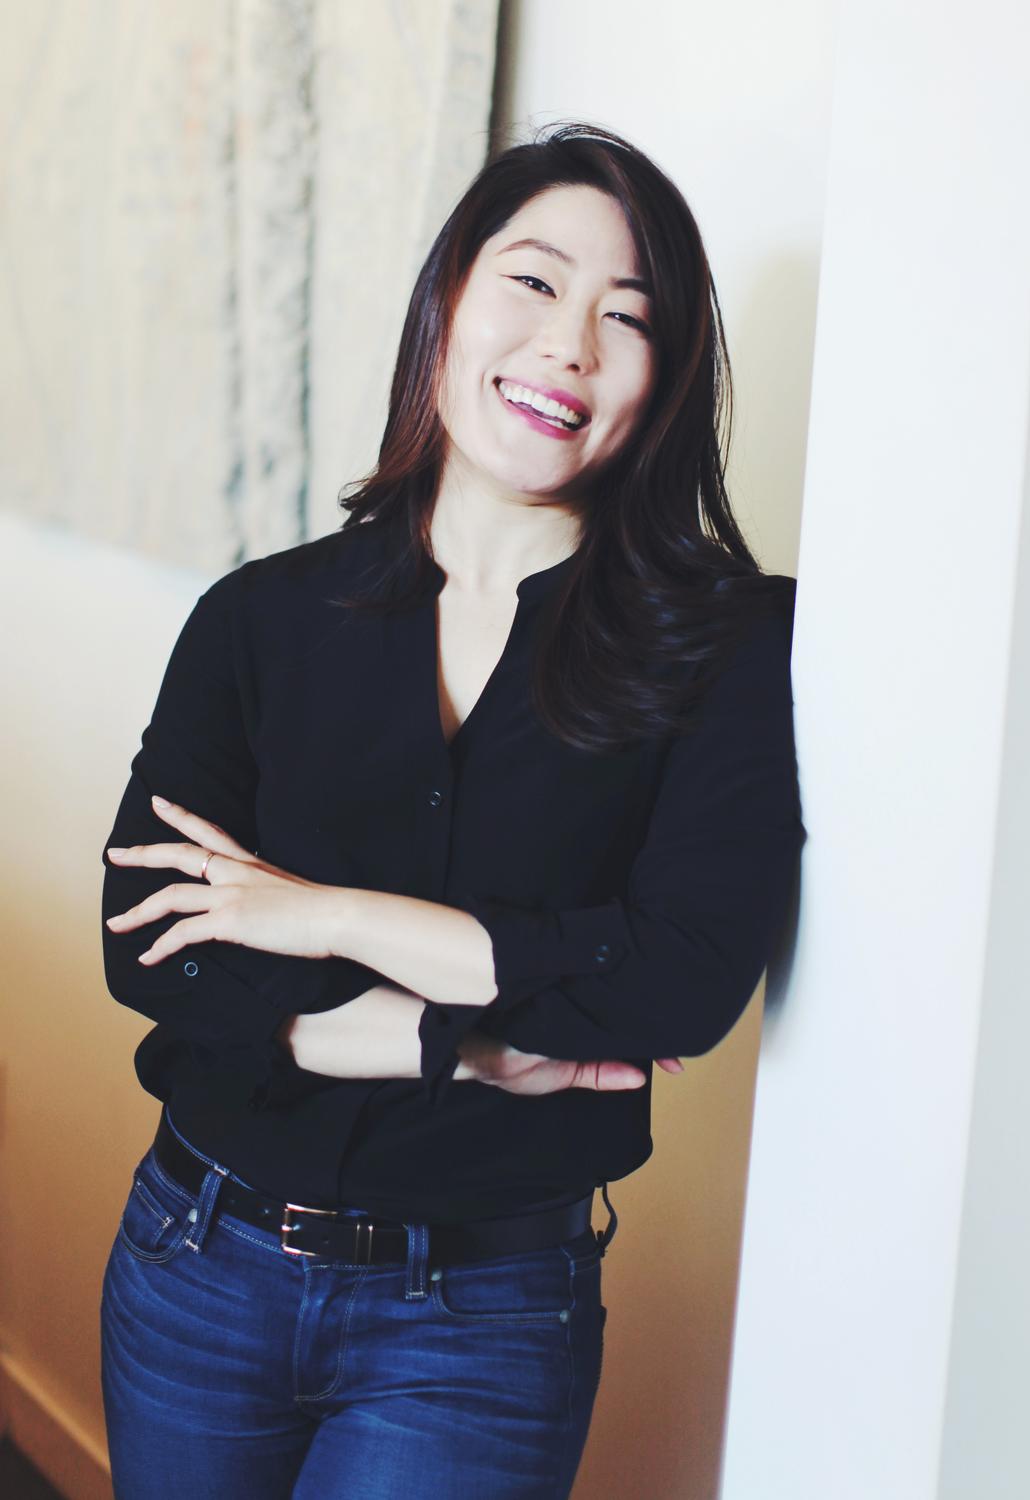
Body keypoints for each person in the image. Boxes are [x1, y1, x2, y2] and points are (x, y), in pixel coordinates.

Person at [98, 120, 805, 1499]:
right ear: (450, 302)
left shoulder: (727, 649)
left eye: (628, 317)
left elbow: (676, 984)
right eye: (534, 282)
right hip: (198, 1259)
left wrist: (318, 915)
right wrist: (463, 1045)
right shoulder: (258, 619)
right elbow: (153, 949)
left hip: (481, 1321)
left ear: (666, 379)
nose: (570, 346)